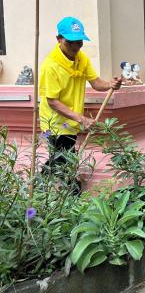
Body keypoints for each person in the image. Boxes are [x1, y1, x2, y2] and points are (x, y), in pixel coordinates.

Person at [39, 17, 122, 186]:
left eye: (79, 42)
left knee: (62, 157)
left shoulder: (81, 59)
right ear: (59, 39)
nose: (76, 47)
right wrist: (81, 119)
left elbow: (96, 82)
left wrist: (109, 84)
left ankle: (42, 187)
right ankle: (67, 191)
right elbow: (52, 101)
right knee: (63, 158)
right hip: (55, 122)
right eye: (71, 42)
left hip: (72, 120)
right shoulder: (50, 65)